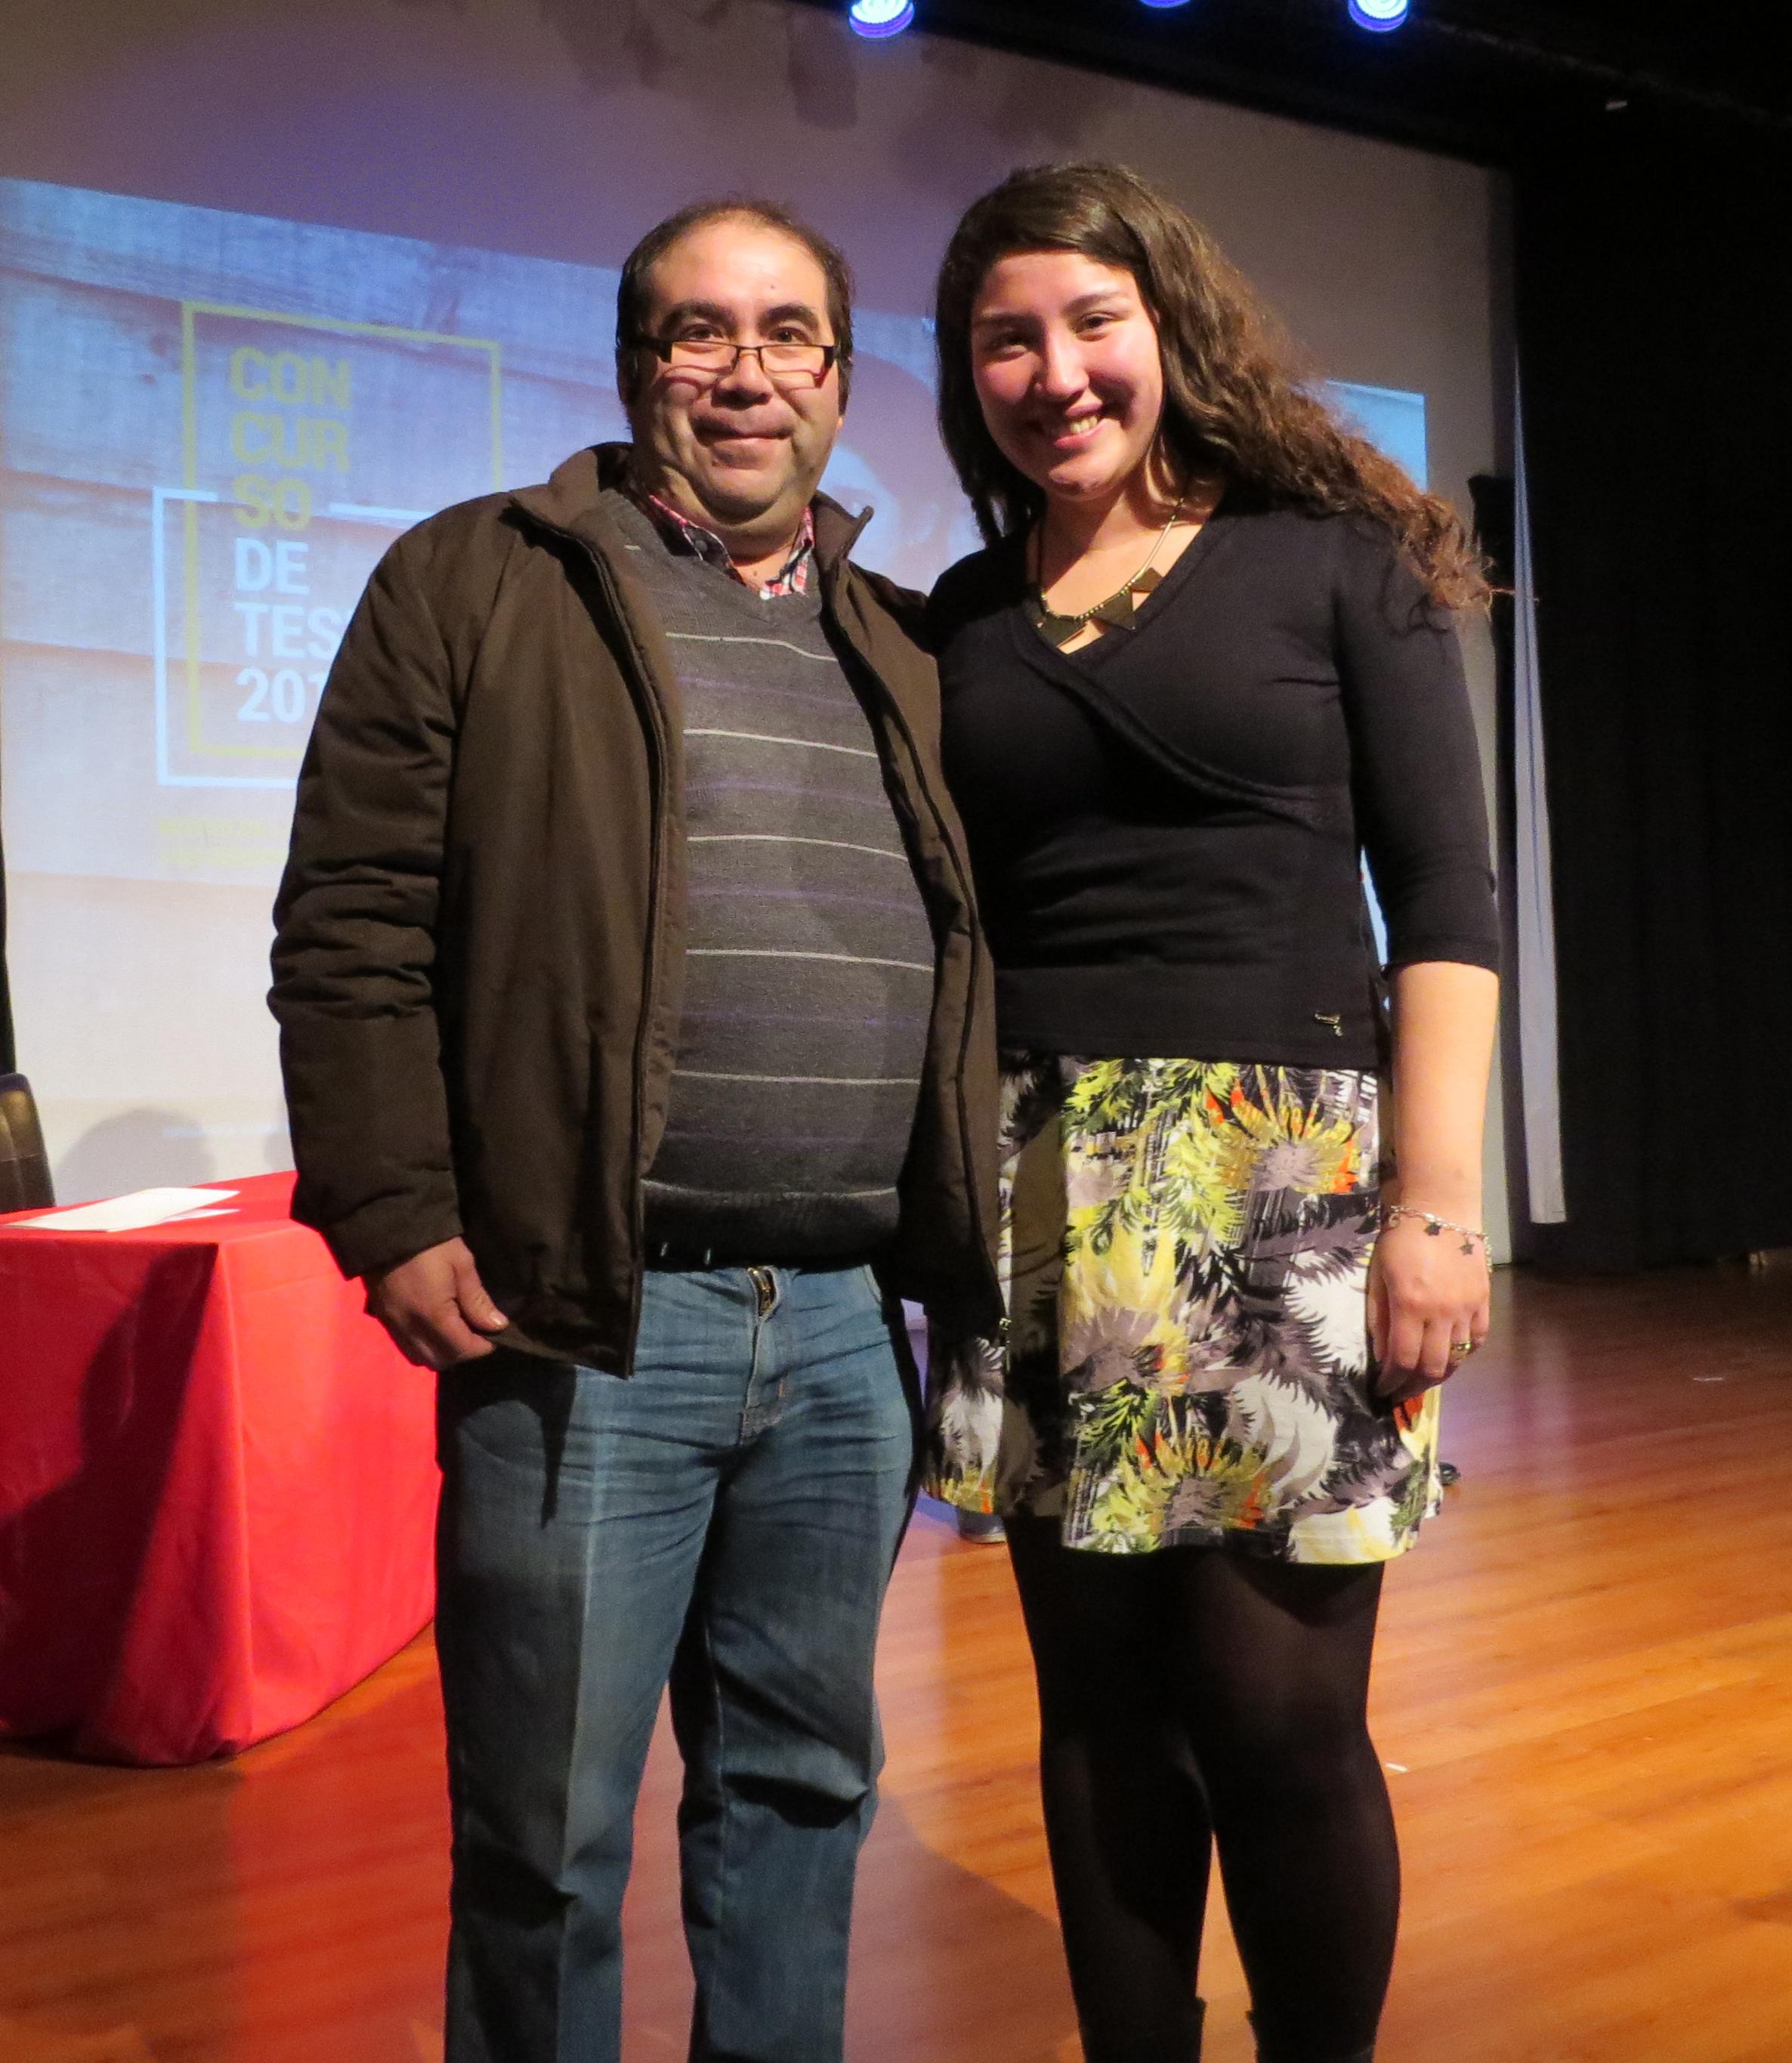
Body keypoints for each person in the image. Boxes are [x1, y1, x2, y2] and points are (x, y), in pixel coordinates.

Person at [270, 197, 1000, 2063]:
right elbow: (350, 925)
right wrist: (392, 1205)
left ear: (839, 384)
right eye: (700, 333)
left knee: (800, 1796)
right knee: (546, 1838)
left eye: (787, 337)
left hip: (845, 1334)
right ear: (632, 364)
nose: (744, 373)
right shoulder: (477, 583)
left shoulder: (902, 645)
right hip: (586, 1322)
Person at [922, 162, 1500, 2063]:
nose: (1056, 371)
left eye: (1094, 324)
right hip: (1040, 1181)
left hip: (1285, 1192)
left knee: (1279, 1718)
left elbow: (1449, 907)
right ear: (968, 373)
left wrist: (1431, 1209)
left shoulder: (1337, 555)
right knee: (1095, 1711)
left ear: (1169, 331)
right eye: (1009, 336)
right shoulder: (958, 613)